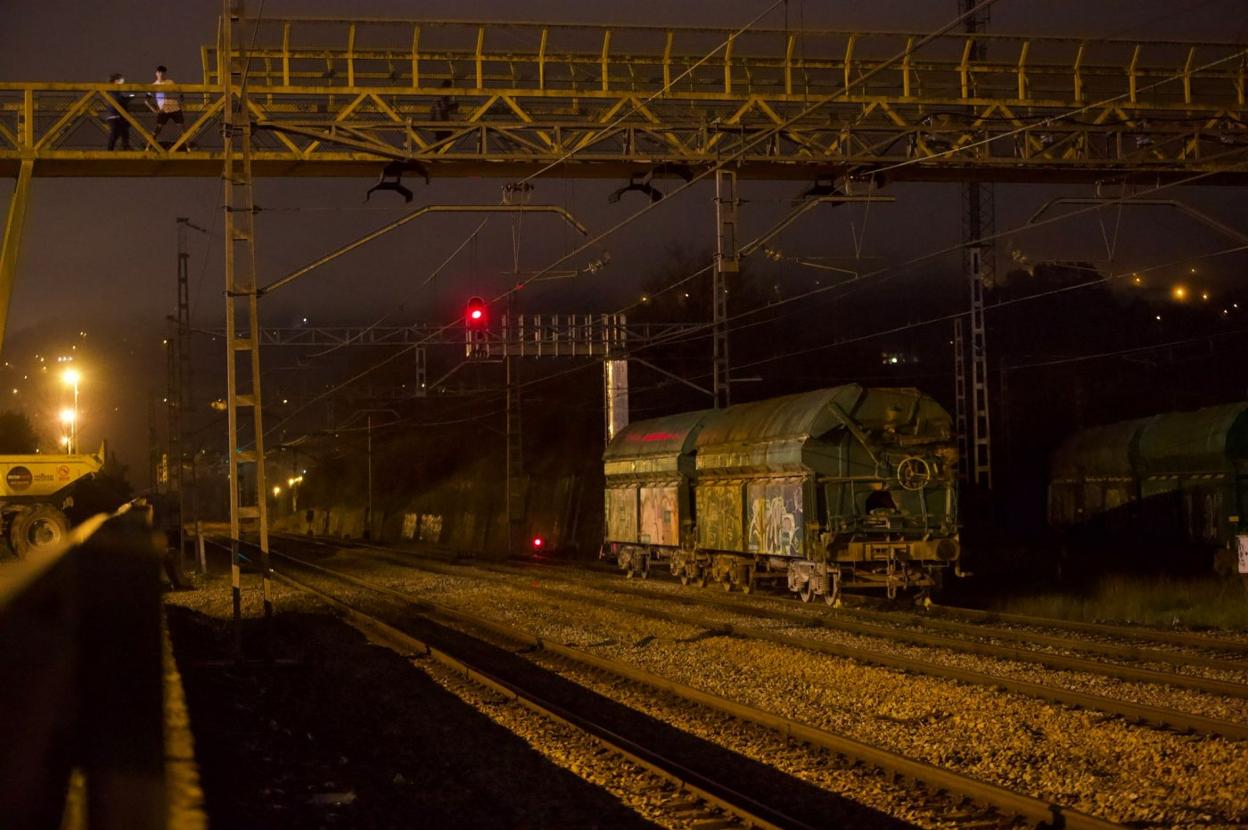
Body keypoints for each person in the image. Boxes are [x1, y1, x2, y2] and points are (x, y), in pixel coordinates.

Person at [146, 65, 186, 146]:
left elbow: (180, 93)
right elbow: (146, 100)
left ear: (165, 74)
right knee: (158, 129)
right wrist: (154, 110)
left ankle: (189, 147)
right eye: (159, 73)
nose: (161, 75)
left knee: (182, 129)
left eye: (163, 73)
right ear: (156, 74)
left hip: (174, 108)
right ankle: (148, 146)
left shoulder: (170, 82)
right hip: (163, 110)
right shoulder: (153, 86)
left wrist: (181, 105)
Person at [105, 73, 132, 151]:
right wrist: (127, 99)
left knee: (124, 133)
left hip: (118, 116)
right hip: (115, 117)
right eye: (120, 80)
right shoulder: (113, 92)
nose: (122, 82)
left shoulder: (115, 92)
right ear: (115, 81)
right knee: (115, 134)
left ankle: (125, 148)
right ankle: (111, 151)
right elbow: (119, 100)